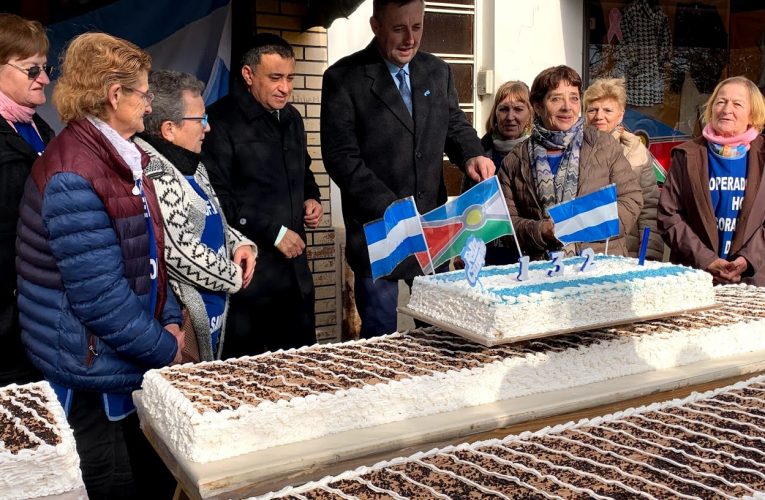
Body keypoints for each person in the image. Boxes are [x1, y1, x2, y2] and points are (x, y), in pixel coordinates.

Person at [15, 33, 182, 499]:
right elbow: (99, 297)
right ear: (115, 95)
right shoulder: (73, 173)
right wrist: (167, 348)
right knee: (116, 484)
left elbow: (149, 255)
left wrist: (168, 317)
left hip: (125, 355)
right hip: (90, 367)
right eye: (145, 94)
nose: (150, 106)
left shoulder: (121, 156)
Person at [321, 0, 494, 338]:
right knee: (381, 339)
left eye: (417, 27)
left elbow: (454, 126)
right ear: (376, 26)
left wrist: (472, 154)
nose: (410, 39)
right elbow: (340, 157)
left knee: (438, 333)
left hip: (431, 232)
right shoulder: (344, 78)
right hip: (379, 232)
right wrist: (392, 207)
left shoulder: (437, 70)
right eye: (399, 28)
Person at [203, 34, 321, 357]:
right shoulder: (220, 122)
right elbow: (217, 200)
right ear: (248, 75)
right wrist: (275, 232)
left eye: (290, 78)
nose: (285, 87)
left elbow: (304, 170)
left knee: (305, 376)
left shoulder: (293, 119)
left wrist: (312, 197)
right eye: (275, 78)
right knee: (248, 385)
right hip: (249, 287)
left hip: (296, 283)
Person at [135, 70, 257, 362]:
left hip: (212, 312)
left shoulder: (192, 165)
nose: (208, 127)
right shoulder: (155, 172)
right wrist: (235, 276)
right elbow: (178, 253)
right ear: (168, 129)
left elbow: (215, 218)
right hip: (181, 325)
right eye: (200, 119)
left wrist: (240, 243)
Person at [498, 65, 642, 261]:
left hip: (599, 268)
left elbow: (631, 199)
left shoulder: (604, 145)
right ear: (538, 106)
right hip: (540, 273)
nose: (567, 106)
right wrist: (542, 230)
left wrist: (579, 224)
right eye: (556, 98)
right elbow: (506, 225)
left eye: (574, 98)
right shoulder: (515, 160)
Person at [658, 75, 765, 285]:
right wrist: (707, 259)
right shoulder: (687, 155)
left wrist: (748, 259)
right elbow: (668, 216)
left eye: (737, 104)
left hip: (753, 280)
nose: (726, 109)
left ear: (752, 114)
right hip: (695, 278)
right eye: (720, 102)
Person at [0, 14, 53, 387]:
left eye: (45, 67)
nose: (45, 79)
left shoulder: (38, 126)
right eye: (32, 69)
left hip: (39, 312)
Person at [584, 77, 664, 261]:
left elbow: (649, 208)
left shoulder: (636, 151)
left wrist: (649, 256)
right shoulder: (574, 149)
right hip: (583, 254)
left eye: (607, 110)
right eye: (592, 110)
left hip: (626, 254)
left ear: (620, 114)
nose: (599, 116)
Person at [461, 80, 533, 266]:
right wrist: (462, 248)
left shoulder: (538, 154)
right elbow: (467, 205)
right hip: (485, 252)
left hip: (526, 253)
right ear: (495, 114)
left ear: (530, 114)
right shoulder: (479, 153)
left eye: (518, 109)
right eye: (503, 109)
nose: (510, 117)